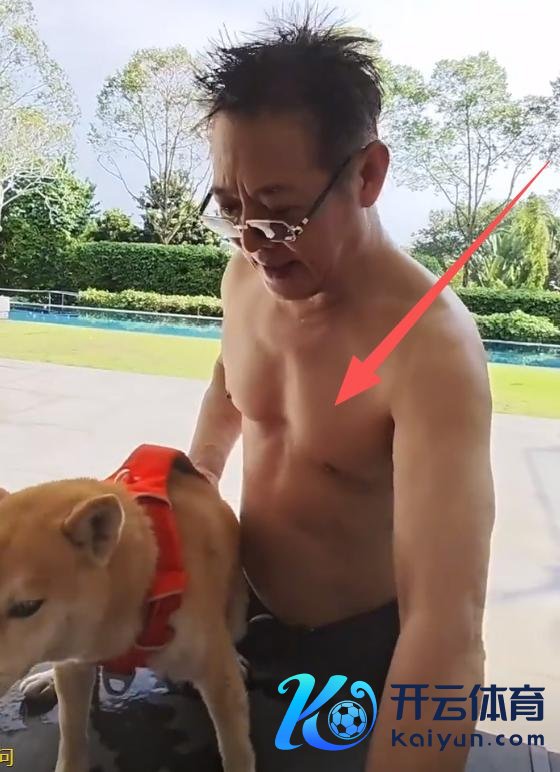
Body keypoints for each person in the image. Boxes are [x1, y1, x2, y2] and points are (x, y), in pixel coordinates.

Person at [188, 8, 495, 772]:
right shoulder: (245, 276)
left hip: (358, 661)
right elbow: (232, 379)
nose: (254, 243)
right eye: (231, 210)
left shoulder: (433, 351)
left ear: (367, 175)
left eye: (282, 214)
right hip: (238, 613)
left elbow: (446, 627)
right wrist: (194, 479)